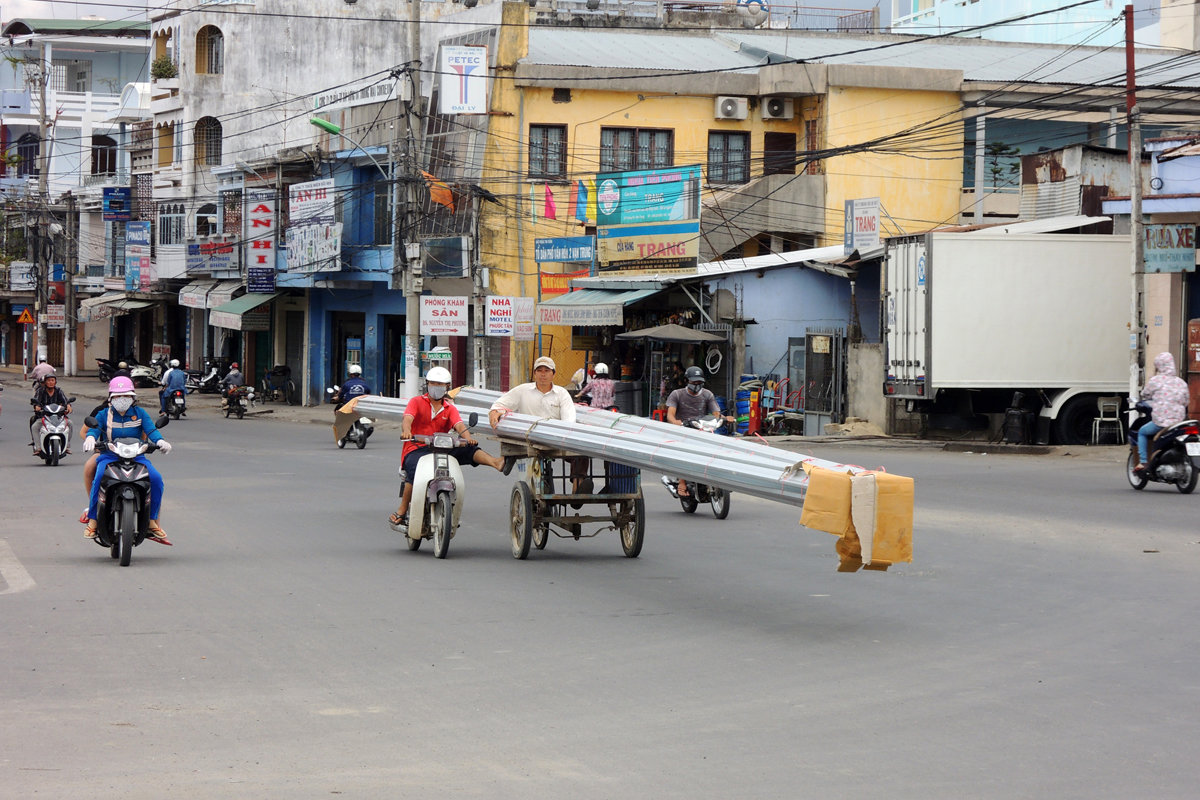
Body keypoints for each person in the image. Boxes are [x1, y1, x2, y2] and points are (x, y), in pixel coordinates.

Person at [389, 366, 504, 530]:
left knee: (470, 450)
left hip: (439, 447)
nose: (437, 387)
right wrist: (407, 431)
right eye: (434, 383)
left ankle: (496, 462)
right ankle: (402, 509)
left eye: (441, 384)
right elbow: (408, 418)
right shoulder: (416, 402)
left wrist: (468, 439)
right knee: (414, 472)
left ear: (447, 387)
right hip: (416, 447)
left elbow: (459, 425)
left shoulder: (450, 408)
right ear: (427, 384)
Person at [81, 377, 173, 545]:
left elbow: (151, 430)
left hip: (137, 456)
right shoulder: (104, 414)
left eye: (126, 396)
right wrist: (90, 439)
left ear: (132, 397)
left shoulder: (140, 413)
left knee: (156, 479)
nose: (121, 400)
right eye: (117, 396)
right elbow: (94, 429)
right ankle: (93, 520)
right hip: (110, 456)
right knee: (99, 478)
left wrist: (160, 441)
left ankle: (152, 521)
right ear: (110, 398)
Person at [489, 355, 589, 498]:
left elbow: (569, 420)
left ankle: (577, 488)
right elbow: (500, 404)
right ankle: (538, 490)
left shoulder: (562, 394)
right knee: (534, 464)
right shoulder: (522, 391)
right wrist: (495, 412)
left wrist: (561, 437)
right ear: (534, 374)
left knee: (582, 453)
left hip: (556, 439)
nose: (543, 374)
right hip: (530, 440)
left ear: (553, 374)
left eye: (547, 371)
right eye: (539, 370)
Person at [665, 365, 737, 497]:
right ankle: (682, 482)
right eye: (694, 382)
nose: (697, 385)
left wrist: (726, 418)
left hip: (702, 427)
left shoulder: (707, 394)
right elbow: (670, 414)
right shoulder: (677, 394)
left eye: (699, 382)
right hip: (684, 429)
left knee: (717, 449)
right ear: (687, 381)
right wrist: (676, 423)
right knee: (685, 453)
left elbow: (716, 414)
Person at [1135, 351, 1190, 473]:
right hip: (1178, 422)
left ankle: (1143, 462)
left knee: (1142, 432)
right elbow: (1186, 402)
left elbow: (1145, 394)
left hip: (1161, 422)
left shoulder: (1155, 381)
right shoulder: (1181, 382)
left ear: (1159, 366)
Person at [30, 374, 72, 455]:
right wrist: (37, 407)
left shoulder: (59, 390)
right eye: (48, 380)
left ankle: (67, 446)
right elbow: (36, 402)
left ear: (55, 382)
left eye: (52, 380)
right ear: (45, 382)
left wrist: (68, 406)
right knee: (34, 426)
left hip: (59, 417)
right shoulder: (40, 391)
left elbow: (65, 401)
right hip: (44, 417)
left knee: (70, 423)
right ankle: (38, 447)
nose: (50, 382)